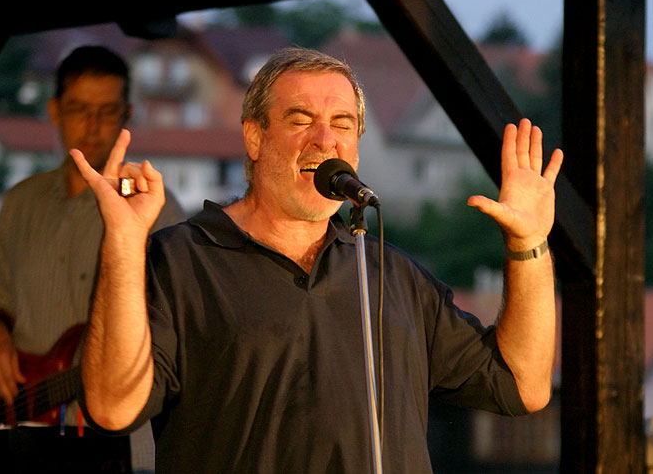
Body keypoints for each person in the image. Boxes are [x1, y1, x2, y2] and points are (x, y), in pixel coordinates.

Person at [72, 47, 563, 473]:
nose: (325, 139)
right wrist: (122, 241)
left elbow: (523, 385)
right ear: (254, 137)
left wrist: (530, 245)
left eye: (343, 124)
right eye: (301, 119)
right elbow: (113, 406)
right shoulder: (178, 261)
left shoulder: (392, 275)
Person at [0, 45, 184, 473]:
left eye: (107, 111)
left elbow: (175, 325)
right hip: (23, 415)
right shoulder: (21, 201)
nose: (93, 125)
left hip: (115, 439)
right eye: (78, 109)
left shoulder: (157, 206)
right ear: (54, 111)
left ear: (127, 115)